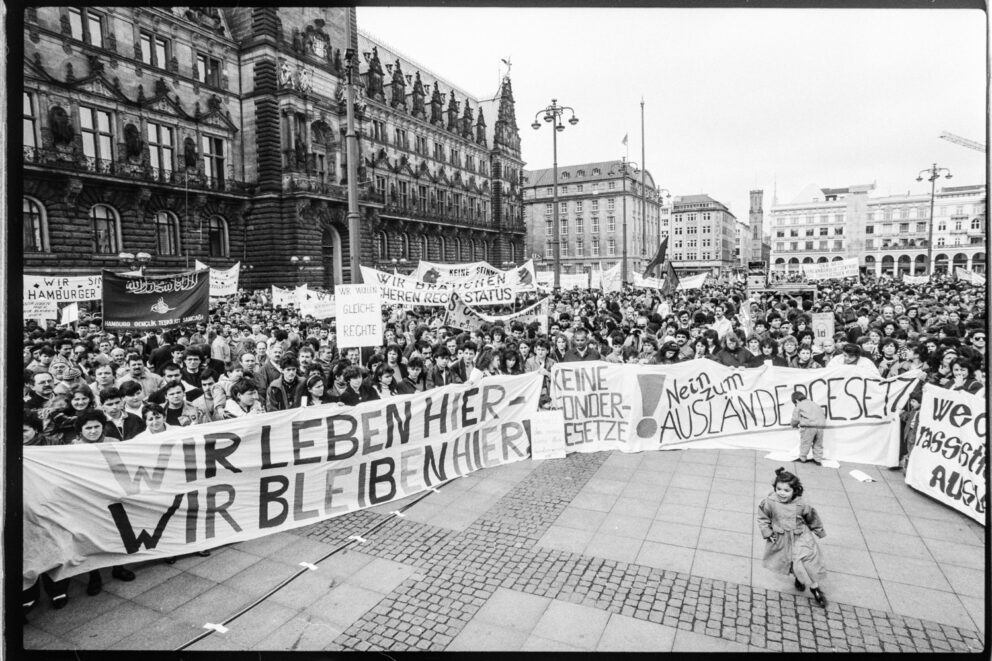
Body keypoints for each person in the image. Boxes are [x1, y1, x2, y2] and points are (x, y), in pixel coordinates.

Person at [757, 467, 827, 607]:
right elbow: (763, 518)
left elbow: (812, 517)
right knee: (789, 561)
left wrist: (818, 530)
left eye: (786, 490)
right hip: (781, 538)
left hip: (801, 537)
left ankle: (815, 588)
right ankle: (798, 578)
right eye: (779, 489)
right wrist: (768, 532)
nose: (782, 493)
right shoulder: (770, 502)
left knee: (805, 562)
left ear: (795, 490)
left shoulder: (802, 504)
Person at [789, 391, 826, 465]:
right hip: (820, 427)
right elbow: (822, 414)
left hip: (808, 427)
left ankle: (802, 458)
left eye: (794, 403)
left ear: (796, 400)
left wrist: (793, 425)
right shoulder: (814, 404)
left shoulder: (799, 405)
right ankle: (818, 460)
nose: (795, 405)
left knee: (805, 443)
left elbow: (795, 419)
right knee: (818, 443)